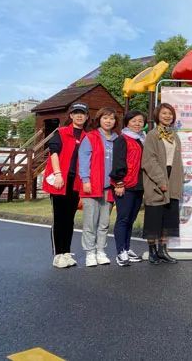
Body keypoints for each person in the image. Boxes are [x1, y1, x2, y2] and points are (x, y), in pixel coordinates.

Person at [43, 102, 88, 268]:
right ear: (71, 116)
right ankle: (58, 255)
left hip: (76, 182)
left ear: (87, 117)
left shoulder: (87, 136)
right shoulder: (61, 132)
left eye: (82, 113)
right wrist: (58, 174)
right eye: (76, 113)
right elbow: (53, 153)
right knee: (59, 218)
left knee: (70, 219)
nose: (79, 116)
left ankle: (66, 252)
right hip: (60, 180)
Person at [142, 103, 184, 265]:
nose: (167, 116)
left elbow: (177, 160)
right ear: (157, 115)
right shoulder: (152, 135)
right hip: (157, 179)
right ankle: (152, 251)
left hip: (172, 178)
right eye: (164, 113)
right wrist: (160, 180)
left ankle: (163, 250)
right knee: (154, 216)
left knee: (168, 217)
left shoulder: (174, 135)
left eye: (170, 114)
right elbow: (149, 161)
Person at [78, 107, 119, 267]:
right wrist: (85, 180)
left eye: (112, 118)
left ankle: (101, 250)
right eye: (105, 118)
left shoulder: (117, 139)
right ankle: (90, 252)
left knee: (104, 223)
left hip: (109, 187)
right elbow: (83, 160)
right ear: (99, 119)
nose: (108, 121)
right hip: (92, 186)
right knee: (90, 222)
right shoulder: (91, 137)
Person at [111, 110, 146, 267]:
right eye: (134, 121)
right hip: (125, 184)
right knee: (123, 218)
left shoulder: (142, 139)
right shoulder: (122, 139)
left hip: (139, 185)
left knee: (131, 219)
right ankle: (120, 252)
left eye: (140, 121)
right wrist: (119, 182)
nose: (137, 123)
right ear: (127, 123)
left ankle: (127, 248)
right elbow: (118, 161)